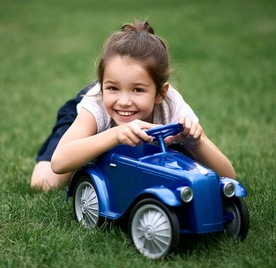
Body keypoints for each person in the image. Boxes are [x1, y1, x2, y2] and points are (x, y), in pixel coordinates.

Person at [31, 20, 235, 191]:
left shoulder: (173, 107)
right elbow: (59, 162)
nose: (124, 101)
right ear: (102, 86)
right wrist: (116, 134)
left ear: (160, 93)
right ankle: (86, 150)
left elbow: (229, 177)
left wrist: (196, 142)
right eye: (113, 88)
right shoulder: (95, 104)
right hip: (82, 118)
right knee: (44, 183)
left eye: (137, 90)